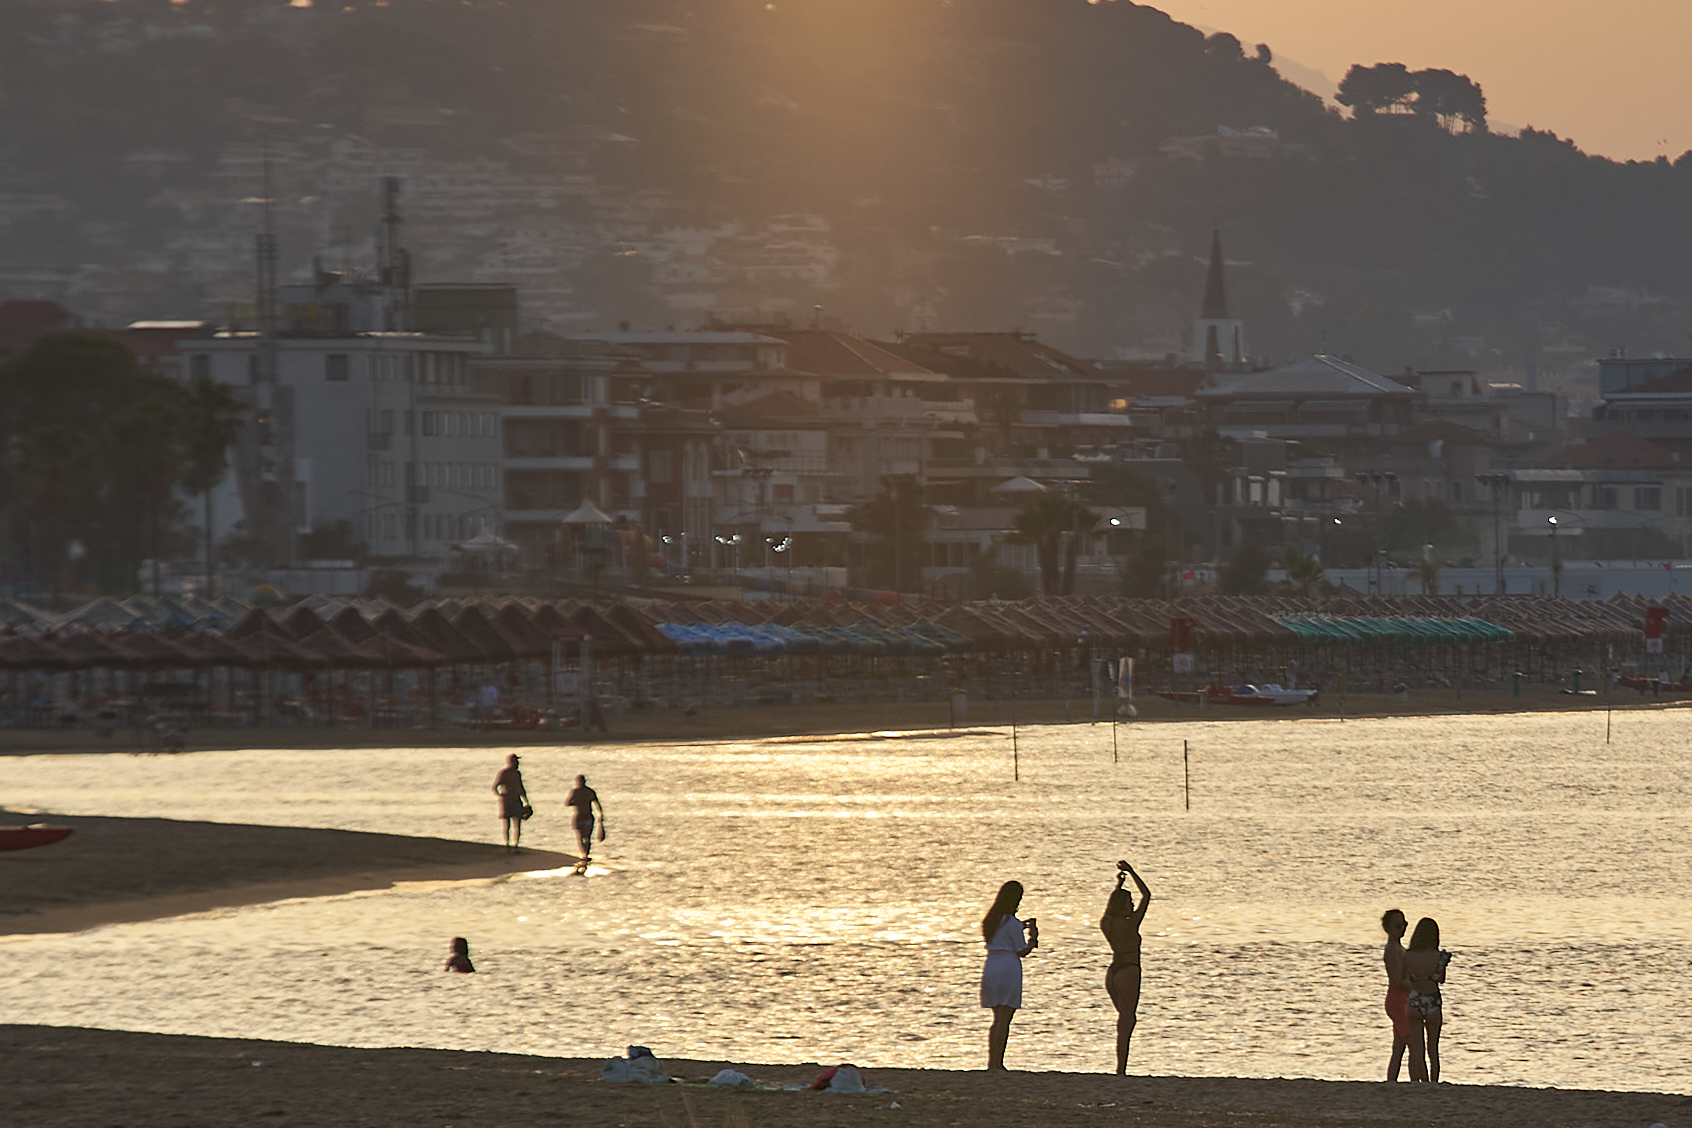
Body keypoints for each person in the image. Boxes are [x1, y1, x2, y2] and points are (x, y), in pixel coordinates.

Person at [979, 880, 1038, 1070]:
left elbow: (1004, 934)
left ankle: (992, 1061)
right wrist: (1033, 938)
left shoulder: (991, 921)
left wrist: (1021, 925)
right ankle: (999, 1062)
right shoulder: (1011, 922)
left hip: (992, 966)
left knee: (997, 1018)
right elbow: (1022, 950)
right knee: (1005, 1018)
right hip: (1008, 967)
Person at [1100, 860, 1152, 1075]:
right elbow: (1147, 896)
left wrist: (1119, 886)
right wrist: (1132, 872)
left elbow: (1111, 906)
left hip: (1113, 972)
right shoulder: (1130, 924)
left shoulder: (1107, 922)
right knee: (1126, 1021)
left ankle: (1120, 1068)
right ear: (1122, 907)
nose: (1132, 906)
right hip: (1129, 971)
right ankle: (1121, 1070)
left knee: (1123, 1019)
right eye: (1128, 903)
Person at [1403, 916, 1450, 1083]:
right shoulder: (1438, 956)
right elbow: (1440, 979)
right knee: (1433, 1049)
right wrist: (1442, 964)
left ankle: (1421, 1080)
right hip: (1432, 1001)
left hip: (1414, 1000)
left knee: (1417, 1048)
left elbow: (1404, 978)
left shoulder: (1407, 955)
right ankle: (1433, 1081)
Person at [1381, 909, 1410, 1081]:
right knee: (1413, 1043)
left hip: (1402, 997)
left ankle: (1391, 1081)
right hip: (1398, 999)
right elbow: (1398, 980)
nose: (1402, 928)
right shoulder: (1392, 949)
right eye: (1398, 925)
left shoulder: (1399, 948)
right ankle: (1420, 1081)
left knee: (1399, 1046)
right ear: (1389, 927)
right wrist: (1418, 986)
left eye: (1404, 924)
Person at [564, 774, 605, 863]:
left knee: (583, 837)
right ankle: (585, 854)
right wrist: (600, 814)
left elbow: (567, 803)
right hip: (585, 817)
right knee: (585, 837)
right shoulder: (588, 791)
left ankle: (585, 854)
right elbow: (597, 804)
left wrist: (576, 803)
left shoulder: (576, 792)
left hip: (582, 816)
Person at [492, 753, 528, 851]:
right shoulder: (504, 773)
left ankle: (516, 844)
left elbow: (521, 787)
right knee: (507, 824)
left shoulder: (517, 773)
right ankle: (507, 844)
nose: (518, 763)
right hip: (507, 800)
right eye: (516, 761)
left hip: (516, 799)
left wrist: (526, 801)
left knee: (517, 823)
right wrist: (500, 796)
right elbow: (495, 787)